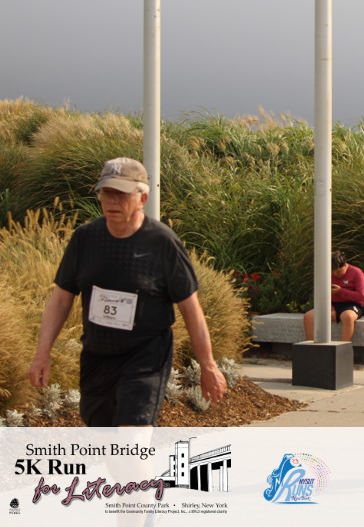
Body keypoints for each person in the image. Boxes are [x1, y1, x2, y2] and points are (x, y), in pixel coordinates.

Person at [27, 157, 227, 425]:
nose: (112, 201)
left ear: (142, 198)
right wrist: (42, 354)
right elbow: (61, 300)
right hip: (97, 357)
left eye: (121, 194)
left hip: (145, 358)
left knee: (131, 435)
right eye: (106, 193)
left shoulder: (163, 243)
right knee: (106, 442)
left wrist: (208, 366)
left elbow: (191, 308)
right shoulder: (85, 239)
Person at [303, 250, 364, 342]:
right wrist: (331, 308)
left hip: (352, 305)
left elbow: (361, 296)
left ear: (344, 265)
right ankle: (311, 348)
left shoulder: (356, 272)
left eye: (338, 271)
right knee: (308, 316)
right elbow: (321, 294)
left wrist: (340, 291)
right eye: (333, 272)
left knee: (347, 317)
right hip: (331, 303)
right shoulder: (326, 273)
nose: (335, 274)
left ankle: (343, 348)